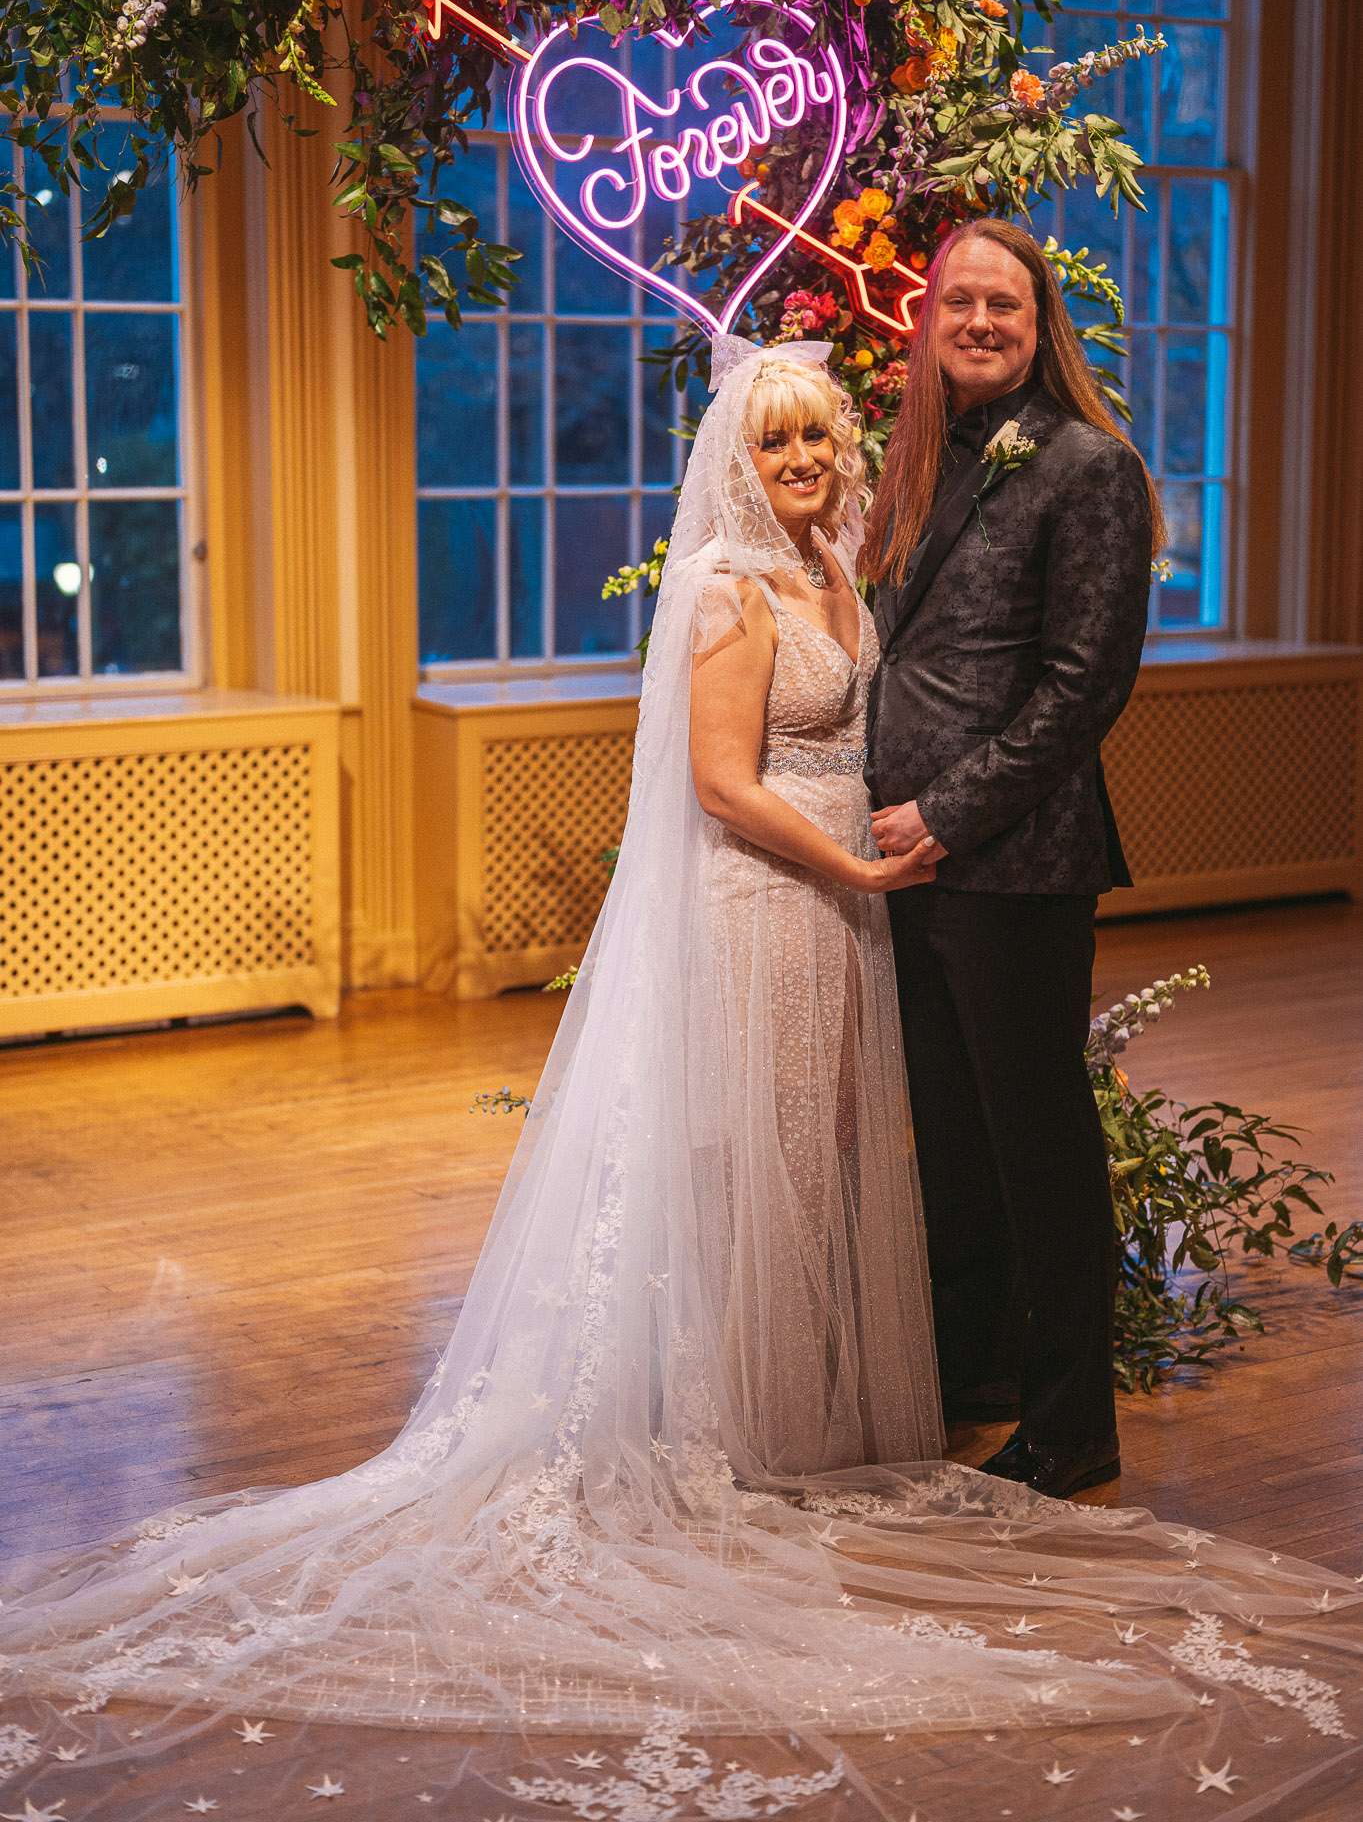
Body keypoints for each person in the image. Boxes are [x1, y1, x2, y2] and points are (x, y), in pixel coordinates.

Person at [1, 338, 1360, 1822]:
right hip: (772, 899)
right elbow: (721, 782)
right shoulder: (725, 586)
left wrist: (882, 866)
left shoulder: (836, 570)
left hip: (848, 909)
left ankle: (818, 1411)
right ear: (737, 460)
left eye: (820, 440)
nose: (803, 464)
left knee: (828, 1154)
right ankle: (745, 1426)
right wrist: (856, 866)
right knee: (754, 1153)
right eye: (776, 446)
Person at [865, 219, 1164, 1499]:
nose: (980, 321)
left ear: (1041, 328)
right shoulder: (918, 458)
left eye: (1006, 304)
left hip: (1016, 861)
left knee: (1037, 1147)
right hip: (908, 865)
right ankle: (977, 1374)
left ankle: (1071, 1424)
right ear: (926, 320)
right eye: (959, 303)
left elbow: (1084, 682)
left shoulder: (1088, 465)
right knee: (950, 1141)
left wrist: (948, 808)